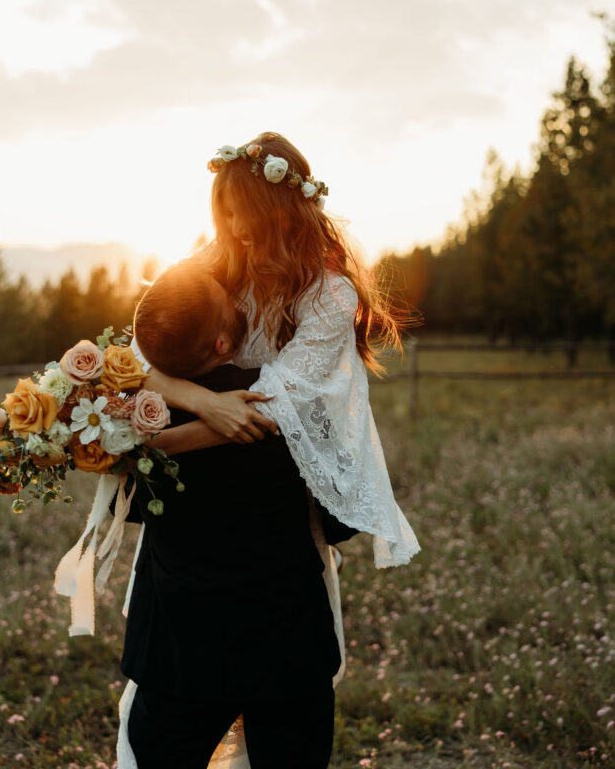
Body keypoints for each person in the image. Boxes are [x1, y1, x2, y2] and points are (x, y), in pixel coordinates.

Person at [119, 131, 419, 768]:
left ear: (284, 212)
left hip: (274, 531)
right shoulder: (206, 264)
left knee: (287, 726)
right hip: (189, 537)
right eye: (222, 214)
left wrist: (161, 442)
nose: (232, 231)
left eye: (243, 216)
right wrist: (205, 403)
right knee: (163, 734)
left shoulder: (329, 294)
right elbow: (135, 360)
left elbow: (276, 408)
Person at [120, 259, 350, 769]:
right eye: (229, 301)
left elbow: (131, 499)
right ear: (223, 343)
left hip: (176, 652)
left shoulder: (132, 417)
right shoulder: (282, 400)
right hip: (285, 646)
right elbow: (340, 518)